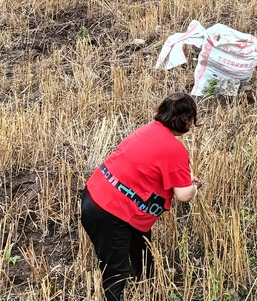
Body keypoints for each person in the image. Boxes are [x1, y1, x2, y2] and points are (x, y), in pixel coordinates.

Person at [80, 92, 201, 301]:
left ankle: (149, 284)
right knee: (116, 271)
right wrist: (194, 186)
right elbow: (183, 195)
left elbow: (152, 168)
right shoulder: (175, 149)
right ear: (185, 120)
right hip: (111, 213)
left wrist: (183, 178)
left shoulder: (148, 130)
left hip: (95, 195)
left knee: (142, 247)